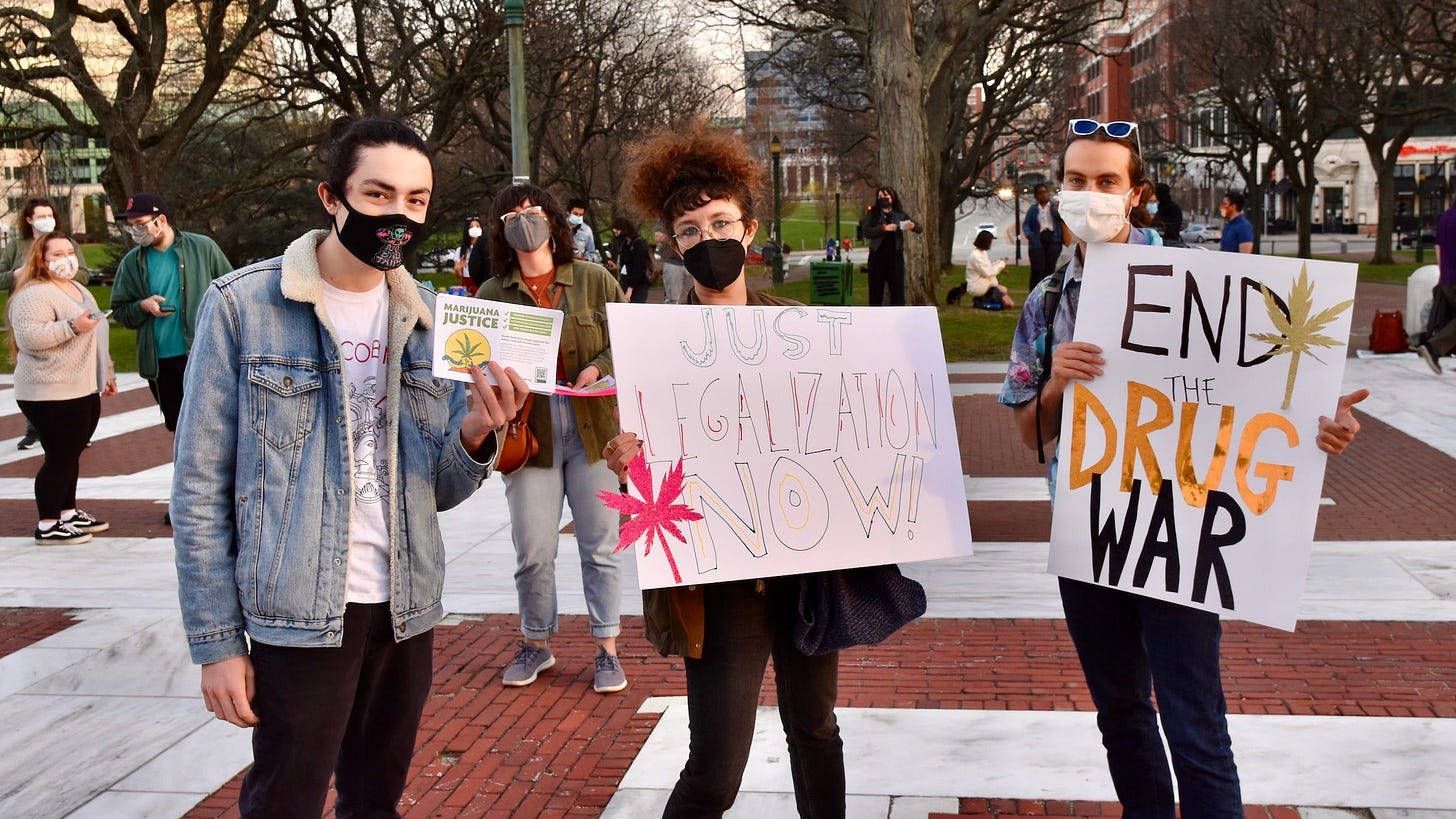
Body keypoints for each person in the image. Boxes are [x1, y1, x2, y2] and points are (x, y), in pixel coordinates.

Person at [999, 118, 1368, 816]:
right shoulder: (1048, 302)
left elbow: (1276, 396)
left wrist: (1324, 423)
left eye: (1107, 181)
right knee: (1122, 715)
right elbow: (1029, 434)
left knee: (1195, 722)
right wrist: (1055, 386)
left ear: (1135, 192)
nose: (1090, 194)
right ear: (1059, 193)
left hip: (1183, 529)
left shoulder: (1211, 282)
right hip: (1092, 533)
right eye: (1077, 181)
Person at [171, 116, 528, 817]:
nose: (400, 215)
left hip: (404, 609)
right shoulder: (242, 305)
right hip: (298, 608)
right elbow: (198, 488)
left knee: (375, 799)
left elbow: (440, 488)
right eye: (379, 193)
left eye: (417, 200)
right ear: (331, 197)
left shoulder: (432, 318)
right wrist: (215, 641)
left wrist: (478, 433)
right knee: (286, 801)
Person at [607, 122, 846, 818]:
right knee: (715, 768)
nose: (706, 238)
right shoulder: (654, 350)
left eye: (719, 222)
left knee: (817, 730)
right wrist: (633, 468)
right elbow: (647, 502)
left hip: (806, 573)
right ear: (673, 245)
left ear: (749, 231)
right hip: (722, 587)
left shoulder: (800, 328)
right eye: (689, 229)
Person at [478, 183, 629, 693]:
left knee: (601, 546)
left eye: (533, 210)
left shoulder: (593, 280)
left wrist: (597, 367)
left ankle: (607, 648)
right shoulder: (493, 293)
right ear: (500, 230)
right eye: (512, 214)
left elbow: (624, 340)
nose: (524, 219)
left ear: (554, 219)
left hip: (593, 430)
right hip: (530, 433)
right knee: (534, 549)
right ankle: (536, 642)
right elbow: (476, 361)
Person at [6, 231, 116, 544]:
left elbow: (97, 331)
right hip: (48, 390)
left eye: (69, 251)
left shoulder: (78, 288)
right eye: (56, 254)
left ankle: (67, 512)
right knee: (59, 455)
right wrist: (71, 327)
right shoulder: (33, 294)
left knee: (71, 452)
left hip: (81, 386)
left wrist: (106, 373)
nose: (65, 258)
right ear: (41, 258)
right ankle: (47, 523)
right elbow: (30, 338)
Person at [110, 193, 232, 435]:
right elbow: (120, 310)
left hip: (203, 353)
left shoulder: (202, 247)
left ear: (161, 220)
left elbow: (232, 291)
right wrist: (142, 306)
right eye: (131, 227)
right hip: (160, 362)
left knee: (213, 427)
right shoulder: (131, 263)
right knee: (180, 430)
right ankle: (186, 473)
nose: (135, 231)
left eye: (141, 224)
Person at [2, 197, 92, 451]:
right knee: (36, 367)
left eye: (49, 214)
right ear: (29, 219)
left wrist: (65, 272)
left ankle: (75, 426)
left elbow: (83, 273)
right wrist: (17, 275)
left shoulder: (66, 242)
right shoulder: (17, 246)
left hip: (68, 312)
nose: (46, 220)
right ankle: (36, 428)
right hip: (31, 317)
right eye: (40, 215)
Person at [858, 186, 921, 306]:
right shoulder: (873, 213)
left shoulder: (899, 214)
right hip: (877, 256)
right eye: (880, 197)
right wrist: (883, 228)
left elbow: (918, 228)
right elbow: (866, 231)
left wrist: (912, 226)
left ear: (892, 197)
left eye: (885, 196)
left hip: (895, 257)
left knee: (897, 290)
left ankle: (897, 317)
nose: (883, 199)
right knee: (876, 291)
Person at [1416, 203, 1456, 375]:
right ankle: (1433, 347)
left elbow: (1438, 247)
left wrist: (1443, 273)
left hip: (1447, 277)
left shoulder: (1446, 216)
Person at [1023, 183, 1063, 293]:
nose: (1043, 195)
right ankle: (1034, 293)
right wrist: (1029, 234)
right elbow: (1026, 224)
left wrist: (1057, 210)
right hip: (1037, 239)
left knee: (1050, 268)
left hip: (1053, 239)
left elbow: (1062, 219)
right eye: (1040, 193)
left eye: (1045, 192)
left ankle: (1047, 293)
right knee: (1037, 269)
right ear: (1036, 196)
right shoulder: (1033, 209)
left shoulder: (1054, 206)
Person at [607, 216, 652, 303]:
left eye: (617, 231)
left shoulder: (638, 244)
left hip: (637, 285)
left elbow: (638, 269)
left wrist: (630, 290)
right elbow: (627, 265)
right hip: (625, 281)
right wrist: (616, 266)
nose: (616, 234)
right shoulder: (626, 243)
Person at [965, 229, 1014, 309]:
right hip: (977, 285)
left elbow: (988, 267)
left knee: (1008, 300)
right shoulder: (976, 256)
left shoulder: (982, 253)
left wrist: (999, 263)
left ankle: (995, 299)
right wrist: (1001, 264)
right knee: (1003, 291)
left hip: (986, 283)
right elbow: (988, 272)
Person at [656, 225, 691, 305]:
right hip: (673, 263)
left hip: (693, 262)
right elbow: (658, 236)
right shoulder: (666, 218)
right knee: (672, 299)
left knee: (697, 298)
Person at [455, 215, 485, 295]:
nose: (475, 228)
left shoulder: (486, 248)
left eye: (477, 226)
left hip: (483, 282)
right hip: (467, 283)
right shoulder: (460, 251)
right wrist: (458, 268)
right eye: (471, 227)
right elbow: (458, 275)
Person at [567, 199, 601, 263]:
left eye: (581, 214)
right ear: (568, 212)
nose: (578, 216)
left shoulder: (587, 231)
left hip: (579, 265)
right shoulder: (560, 227)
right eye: (575, 214)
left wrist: (585, 258)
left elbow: (592, 253)